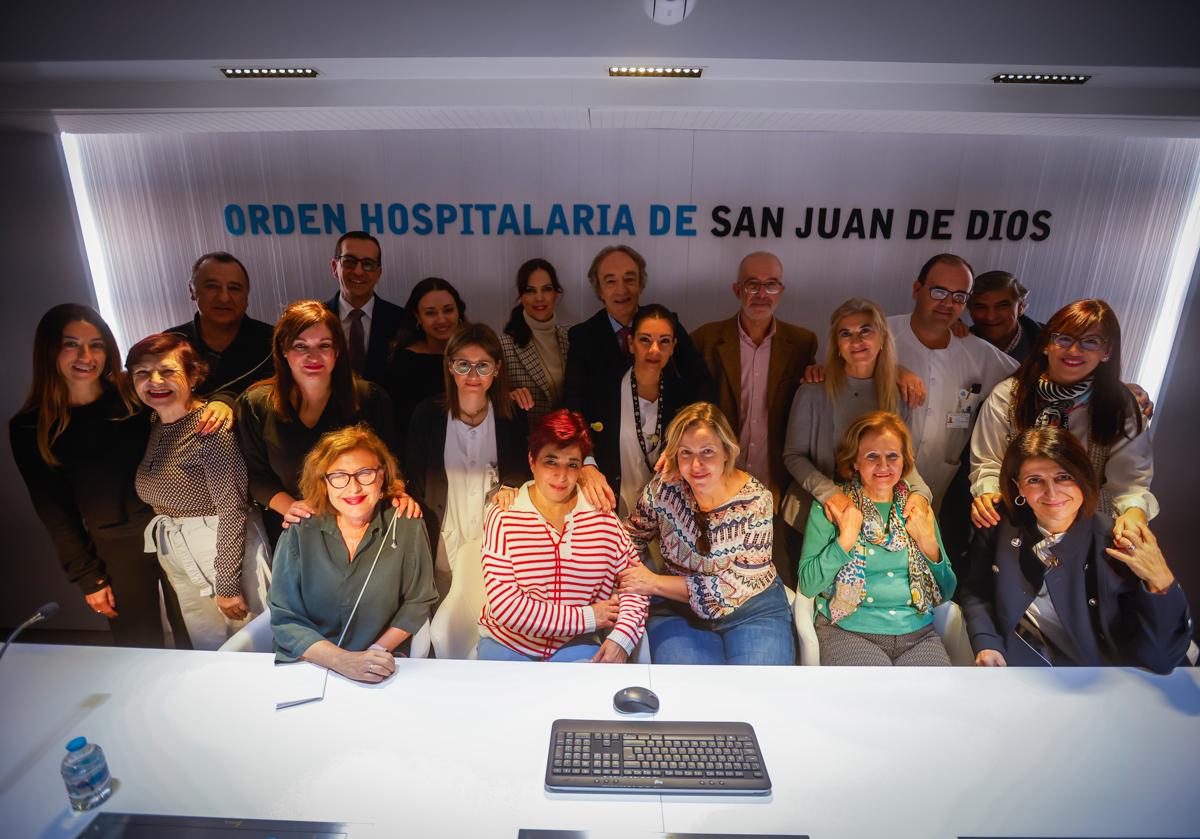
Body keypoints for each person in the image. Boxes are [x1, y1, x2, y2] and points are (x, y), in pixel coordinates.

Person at [10, 305, 184, 648]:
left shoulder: (132, 395)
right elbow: (55, 514)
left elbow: (188, 401)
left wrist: (221, 402)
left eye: (97, 344)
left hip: (172, 528)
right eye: (71, 344)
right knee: (138, 645)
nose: (86, 355)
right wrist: (87, 577)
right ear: (49, 350)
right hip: (115, 548)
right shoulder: (31, 427)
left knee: (196, 631)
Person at [960, 427, 1189, 672]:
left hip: (1107, 677)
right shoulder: (999, 526)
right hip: (1028, 667)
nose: (1052, 492)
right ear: (1019, 488)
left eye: (1064, 477)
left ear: (1083, 477)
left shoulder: (1117, 540)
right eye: (1034, 480)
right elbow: (978, 593)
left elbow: (1162, 659)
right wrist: (987, 643)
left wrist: (1161, 579)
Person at [618, 402, 794, 665]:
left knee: (759, 695)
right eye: (685, 453)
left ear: (727, 452)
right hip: (677, 610)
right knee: (692, 696)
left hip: (752, 608)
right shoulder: (664, 489)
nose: (696, 464)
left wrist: (652, 582)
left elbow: (731, 587)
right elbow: (630, 538)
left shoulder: (757, 501)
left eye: (707, 451)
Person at [969, 299, 1157, 544]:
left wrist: (1134, 512)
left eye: (1091, 341)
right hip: (1016, 522)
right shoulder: (1009, 395)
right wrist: (988, 492)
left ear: (1107, 352)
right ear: (1047, 344)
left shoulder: (1120, 407)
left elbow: (1130, 484)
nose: (1074, 351)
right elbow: (988, 462)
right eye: (1064, 338)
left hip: (1089, 531)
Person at [129, 333, 270, 650]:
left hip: (222, 546)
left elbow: (233, 509)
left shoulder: (210, 426)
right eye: (142, 373)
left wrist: (228, 583)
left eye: (167, 371)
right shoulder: (156, 420)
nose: (155, 381)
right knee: (208, 647)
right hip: (177, 546)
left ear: (193, 376)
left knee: (251, 648)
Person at [476, 409, 649, 662]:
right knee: (506, 699)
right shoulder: (504, 515)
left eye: (572, 465)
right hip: (508, 643)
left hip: (575, 645)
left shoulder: (601, 516)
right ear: (532, 461)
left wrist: (622, 638)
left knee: (583, 698)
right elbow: (505, 607)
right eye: (551, 461)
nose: (561, 475)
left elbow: (637, 584)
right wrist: (589, 617)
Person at [782, 299, 934, 583]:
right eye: (846, 333)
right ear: (836, 344)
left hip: (872, 525)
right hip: (811, 517)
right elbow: (793, 456)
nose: (856, 341)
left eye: (865, 331)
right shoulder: (813, 392)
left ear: (882, 338)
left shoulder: (898, 395)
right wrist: (831, 494)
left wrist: (921, 494)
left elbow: (902, 461)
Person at [269, 425, 437, 680]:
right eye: (338, 476)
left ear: (382, 476)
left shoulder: (406, 523)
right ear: (323, 482)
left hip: (378, 664)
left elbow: (418, 601)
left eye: (365, 473)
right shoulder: (300, 529)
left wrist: (373, 654)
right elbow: (284, 616)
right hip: (309, 663)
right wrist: (343, 661)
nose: (354, 487)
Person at [690, 252, 817, 585]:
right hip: (717, 487)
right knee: (714, 578)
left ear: (782, 289)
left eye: (770, 285)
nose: (762, 294)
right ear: (736, 290)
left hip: (775, 487)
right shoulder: (704, 340)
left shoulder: (803, 343)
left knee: (777, 579)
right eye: (752, 285)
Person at [798, 411, 956, 666]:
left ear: (904, 461)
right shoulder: (834, 508)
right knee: (872, 700)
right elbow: (808, 584)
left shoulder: (917, 509)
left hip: (918, 635)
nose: (884, 466)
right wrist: (844, 541)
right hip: (848, 631)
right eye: (872, 456)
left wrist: (928, 543)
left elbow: (947, 591)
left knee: (936, 702)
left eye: (892, 456)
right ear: (855, 462)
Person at [563, 245, 713, 509]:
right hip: (610, 471)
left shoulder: (667, 324)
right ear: (599, 289)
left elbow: (703, 383)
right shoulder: (584, 336)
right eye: (610, 281)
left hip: (663, 465)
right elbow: (574, 403)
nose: (621, 289)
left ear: (641, 283)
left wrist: (682, 442)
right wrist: (586, 462)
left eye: (629, 279)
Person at [236, 300, 397, 545]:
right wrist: (294, 508)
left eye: (324, 345)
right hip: (291, 527)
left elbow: (390, 464)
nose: (313, 356)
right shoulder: (256, 405)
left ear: (337, 351)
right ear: (283, 349)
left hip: (360, 527)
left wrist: (398, 492)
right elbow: (256, 477)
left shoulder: (370, 399)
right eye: (301, 346)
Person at [405, 323, 531, 597]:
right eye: (463, 365)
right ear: (450, 366)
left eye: (483, 366)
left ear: (497, 368)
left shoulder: (511, 417)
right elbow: (413, 480)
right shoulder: (427, 415)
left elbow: (522, 470)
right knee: (447, 618)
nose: (473, 375)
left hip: (496, 544)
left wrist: (511, 484)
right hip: (444, 539)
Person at [888, 253, 1018, 509]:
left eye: (959, 296)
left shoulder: (978, 352)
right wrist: (887, 368)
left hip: (934, 487)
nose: (948, 303)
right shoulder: (881, 333)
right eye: (939, 292)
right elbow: (835, 369)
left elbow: (1029, 381)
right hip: (870, 480)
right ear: (917, 289)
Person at [585, 304, 702, 518]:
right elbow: (579, 435)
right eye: (645, 340)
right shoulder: (603, 391)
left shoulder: (686, 397)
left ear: (674, 346)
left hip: (668, 520)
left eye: (664, 341)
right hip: (611, 515)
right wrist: (587, 465)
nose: (654, 349)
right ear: (631, 343)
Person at [166, 251, 273, 431]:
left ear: (247, 295)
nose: (224, 297)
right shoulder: (169, 344)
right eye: (212, 286)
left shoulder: (274, 342)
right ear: (192, 290)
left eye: (234, 288)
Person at [385, 276, 467, 443]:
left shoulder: (477, 353)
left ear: (459, 311)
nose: (441, 319)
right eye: (430, 313)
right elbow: (400, 425)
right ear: (418, 317)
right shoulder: (404, 362)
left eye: (448, 310)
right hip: (423, 450)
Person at [323, 231, 411, 385]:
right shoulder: (315, 319)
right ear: (334, 267)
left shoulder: (402, 321)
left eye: (368, 264)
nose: (358, 271)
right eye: (349, 261)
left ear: (378, 274)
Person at [500, 258, 569, 426]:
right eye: (530, 290)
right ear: (521, 296)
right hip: (525, 445)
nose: (539, 298)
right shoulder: (504, 345)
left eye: (546, 289)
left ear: (556, 293)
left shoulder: (571, 337)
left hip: (568, 445)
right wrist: (508, 398)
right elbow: (491, 401)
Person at [966, 270, 1043, 363]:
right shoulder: (960, 344)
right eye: (981, 307)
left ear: (1020, 307)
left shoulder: (1050, 345)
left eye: (1002, 306)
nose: (991, 317)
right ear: (970, 311)